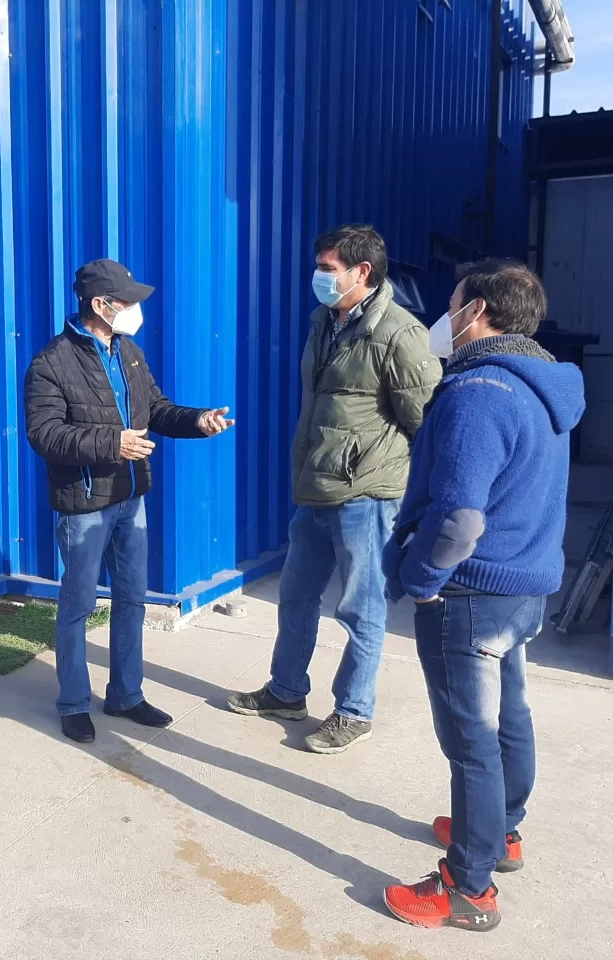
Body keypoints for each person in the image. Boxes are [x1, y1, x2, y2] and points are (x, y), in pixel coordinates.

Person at [381, 260, 584, 931]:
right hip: (522, 587)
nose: (445, 316)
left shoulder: (478, 392)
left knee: (472, 742)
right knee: (509, 715)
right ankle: (502, 833)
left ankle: (468, 887)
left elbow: (461, 520)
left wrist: (421, 581)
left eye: (452, 304)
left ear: (479, 313)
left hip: (472, 593)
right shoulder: (541, 384)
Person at [227, 224, 440, 753]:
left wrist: (413, 497)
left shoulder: (400, 334)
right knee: (296, 596)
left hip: (367, 495)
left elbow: (427, 423)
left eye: (328, 268)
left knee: (360, 608)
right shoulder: (324, 321)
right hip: (315, 487)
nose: (318, 277)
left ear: (361, 272)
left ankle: (354, 710)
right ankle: (286, 691)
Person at [24, 259, 233, 743]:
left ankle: (126, 695)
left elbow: (155, 409)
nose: (136, 309)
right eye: (127, 301)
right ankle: (74, 703)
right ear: (100, 305)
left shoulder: (129, 351)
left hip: (130, 497)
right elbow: (44, 434)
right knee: (78, 605)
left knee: (132, 598)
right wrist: (112, 443)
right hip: (85, 503)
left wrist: (197, 421)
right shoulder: (51, 363)